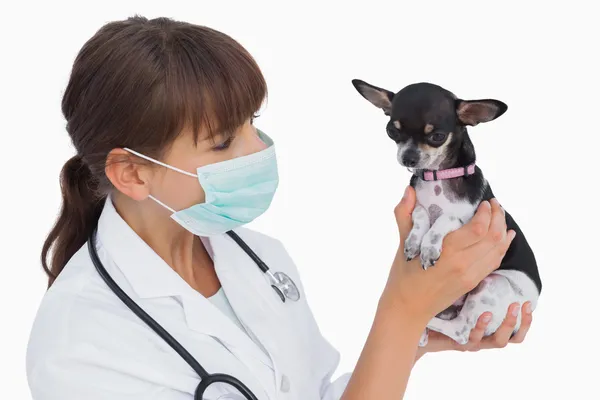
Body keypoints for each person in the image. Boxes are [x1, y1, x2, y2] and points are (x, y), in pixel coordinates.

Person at [25, 15, 534, 400]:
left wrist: (420, 333)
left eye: (252, 120)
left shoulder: (260, 258)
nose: (259, 149)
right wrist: (401, 310)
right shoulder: (81, 345)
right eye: (224, 142)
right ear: (132, 173)